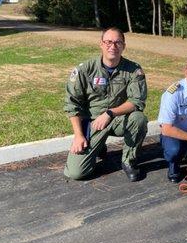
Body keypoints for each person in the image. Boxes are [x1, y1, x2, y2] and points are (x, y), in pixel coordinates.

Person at [63, 27, 147, 182]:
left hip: (117, 119)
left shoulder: (133, 70)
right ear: (101, 44)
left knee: (139, 118)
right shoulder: (84, 70)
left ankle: (129, 161)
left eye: (117, 42)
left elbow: (137, 101)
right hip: (92, 123)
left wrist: (110, 113)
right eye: (108, 42)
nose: (113, 46)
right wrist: (78, 135)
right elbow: (72, 104)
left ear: (123, 46)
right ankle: (98, 147)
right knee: (76, 173)